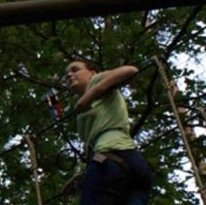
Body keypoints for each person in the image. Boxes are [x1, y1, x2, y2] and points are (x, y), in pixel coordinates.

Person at [62, 58, 153, 204]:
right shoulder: (87, 106)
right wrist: (84, 175)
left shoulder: (96, 81)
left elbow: (130, 70)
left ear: (92, 73)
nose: (69, 75)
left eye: (75, 69)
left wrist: (90, 95)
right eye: (66, 74)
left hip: (110, 158)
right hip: (130, 162)